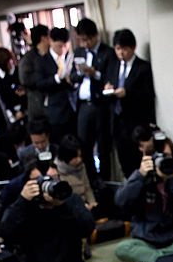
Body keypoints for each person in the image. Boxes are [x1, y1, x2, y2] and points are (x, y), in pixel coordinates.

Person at [1, 161, 114, 262]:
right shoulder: (24, 207)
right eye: (42, 181)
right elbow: (6, 233)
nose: (49, 184)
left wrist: (63, 205)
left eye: (53, 179)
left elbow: (88, 227)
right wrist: (22, 201)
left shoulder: (70, 200)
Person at [114, 134, 173, 262]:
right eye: (160, 157)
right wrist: (140, 176)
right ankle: (170, 261)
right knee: (123, 248)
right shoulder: (141, 176)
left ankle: (157, 261)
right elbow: (121, 202)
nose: (164, 160)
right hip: (147, 239)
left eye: (168, 156)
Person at [105, 29, 155, 176]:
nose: (121, 53)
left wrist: (127, 94)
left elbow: (148, 95)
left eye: (124, 49)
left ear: (133, 47)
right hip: (117, 122)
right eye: (118, 49)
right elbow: (108, 84)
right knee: (124, 162)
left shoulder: (143, 67)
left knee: (138, 162)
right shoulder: (113, 66)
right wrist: (108, 89)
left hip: (135, 122)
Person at [74, 18, 115, 182]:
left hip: (100, 105)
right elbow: (72, 76)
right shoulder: (79, 52)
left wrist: (94, 74)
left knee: (103, 146)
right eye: (81, 40)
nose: (84, 44)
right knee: (84, 146)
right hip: (83, 105)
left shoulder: (107, 52)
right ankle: (91, 181)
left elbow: (111, 77)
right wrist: (80, 73)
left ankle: (105, 181)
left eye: (86, 40)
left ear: (95, 36)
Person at [54, 136, 98, 210]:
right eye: (75, 157)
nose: (79, 159)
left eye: (80, 156)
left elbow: (87, 188)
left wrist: (92, 203)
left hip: (87, 206)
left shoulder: (81, 166)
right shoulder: (56, 171)